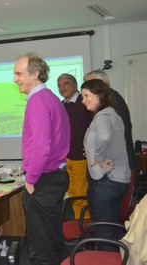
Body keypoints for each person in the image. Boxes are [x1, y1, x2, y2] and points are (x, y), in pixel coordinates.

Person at [14, 52, 70, 264]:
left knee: (40, 248)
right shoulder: (51, 98)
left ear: (35, 74)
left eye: (19, 73)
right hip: (54, 178)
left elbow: (41, 146)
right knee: (54, 240)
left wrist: (30, 180)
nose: (15, 79)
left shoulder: (37, 101)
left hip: (43, 181)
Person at [81, 79, 130, 250]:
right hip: (117, 179)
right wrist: (93, 152)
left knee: (104, 232)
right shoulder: (112, 113)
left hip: (107, 179)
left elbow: (104, 137)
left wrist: (97, 158)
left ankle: (107, 258)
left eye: (87, 96)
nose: (83, 100)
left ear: (100, 96)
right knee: (112, 227)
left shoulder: (103, 115)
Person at [83, 69, 138, 172]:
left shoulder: (113, 101)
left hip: (117, 167)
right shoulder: (109, 100)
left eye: (92, 84)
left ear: (103, 83)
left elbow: (108, 135)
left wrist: (95, 150)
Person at [58, 73, 93, 219]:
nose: (62, 88)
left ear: (74, 85)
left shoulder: (84, 103)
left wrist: (92, 147)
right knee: (73, 195)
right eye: (59, 85)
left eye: (65, 84)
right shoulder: (62, 105)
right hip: (68, 159)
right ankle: (79, 228)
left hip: (81, 159)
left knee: (80, 197)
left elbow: (96, 128)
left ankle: (85, 231)